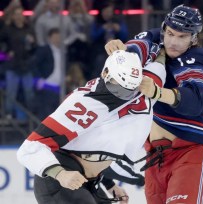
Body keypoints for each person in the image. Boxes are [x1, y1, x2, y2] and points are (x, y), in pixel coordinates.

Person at [17, 49, 167, 204]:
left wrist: (109, 184)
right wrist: (60, 173)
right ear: (106, 73)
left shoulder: (144, 87)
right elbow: (30, 147)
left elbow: (96, 147)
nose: (123, 95)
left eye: (130, 89)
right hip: (60, 180)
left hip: (88, 181)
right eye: (120, 87)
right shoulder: (82, 104)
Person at [105, 4, 203, 204]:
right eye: (171, 33)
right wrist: (121, 52)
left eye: (182, 37)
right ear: (164, 28)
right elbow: (137, 49)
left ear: (194, 38)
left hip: (189, 151)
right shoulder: (154, 37)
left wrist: (158, 92)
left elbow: (197, 101)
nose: (173, 42)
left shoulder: (200, 58)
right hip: (154, 157)